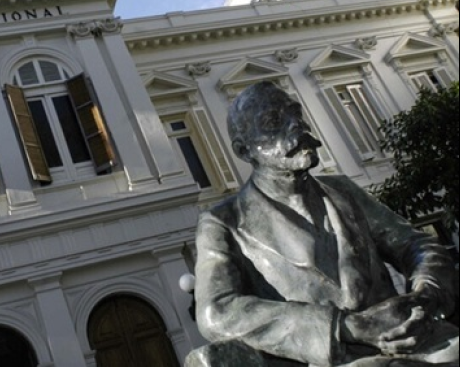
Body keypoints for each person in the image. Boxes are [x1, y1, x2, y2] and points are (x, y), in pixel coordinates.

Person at [187, 81, 459, 367]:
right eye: (273, 122)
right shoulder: (223, 221)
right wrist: (345, 327)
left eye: (295, 113)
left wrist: (425, 297)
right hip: (328, 359)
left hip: (412, 342)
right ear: (245, 151)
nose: (296, 125)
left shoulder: (342, 189)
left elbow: (416, 244)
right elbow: (216, 312)